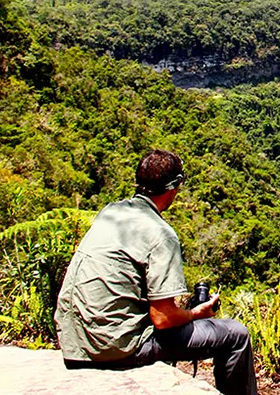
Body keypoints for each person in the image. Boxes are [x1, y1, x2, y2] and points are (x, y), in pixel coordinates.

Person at [54, 149, 257, 395]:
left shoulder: (110, 212)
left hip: (73, 341)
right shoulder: (161, 234)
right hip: (116, 348)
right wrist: (196, 313)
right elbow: (162, 319)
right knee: (236, 335)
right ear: (174, 187)